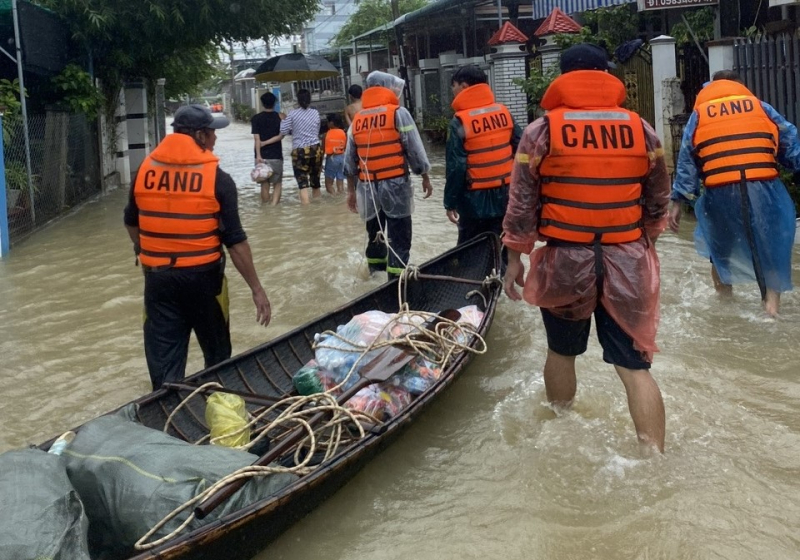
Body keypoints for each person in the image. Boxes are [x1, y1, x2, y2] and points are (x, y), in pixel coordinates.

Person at [502, 44, 670, 452]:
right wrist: (642, 241)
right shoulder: (642, 129)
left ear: (562, 77)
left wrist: (514, 259)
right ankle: (653, 457)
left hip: (565, 261)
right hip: (627, 260)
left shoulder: (541, 131)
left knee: (561, 352)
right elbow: (659, 197)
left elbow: (522, 202)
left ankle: (560, 434)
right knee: (634, 368)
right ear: (605, 74)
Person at [123, 104, 272, 391]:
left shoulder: (144, 170)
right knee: (217, 360)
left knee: (164, 368)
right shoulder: (218, 179)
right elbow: (235, 242)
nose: (216, 139)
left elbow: (131, 222)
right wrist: (257, 289)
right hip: (204, 282)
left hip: (158, 281)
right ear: (201, 136)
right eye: (213, 133)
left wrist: (145, 250)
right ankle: (218, 414)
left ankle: (167, 417)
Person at [669, 70, 800, 316]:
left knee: (720, 250)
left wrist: (678, 200)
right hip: (765, 189)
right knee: (769, 246)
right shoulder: (761, 107)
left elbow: (687, 157)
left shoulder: (699, 114)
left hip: (720, 190)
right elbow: (789, 140)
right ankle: (771, 308)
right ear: (739, 86)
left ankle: (725, 304)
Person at [344, 71, 433, 280]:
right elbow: (414, 149)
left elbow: (349, 161)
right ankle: (396, 283)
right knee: (399, 236)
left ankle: (376, 279)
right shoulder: (398, 113)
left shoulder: (358, 119)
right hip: (395, 185)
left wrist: (350, 191)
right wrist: (425, 176)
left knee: (375, 236)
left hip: (367, 189)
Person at [444, 64, 522, 263]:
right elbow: (522, 149)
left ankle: (473, 290)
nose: (452, 91)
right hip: (505, 193)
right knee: (501, 246)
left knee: (469, 251)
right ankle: (502, 288)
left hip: (473, 200)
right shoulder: (504, 113)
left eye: (453, 86)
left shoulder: (459, 121)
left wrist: (450, 201)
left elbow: (457, 166)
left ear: (463, 86)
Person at [263, 88, 321, 205]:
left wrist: (284, 120)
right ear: (309, 100)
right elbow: (317, 129)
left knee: (302, 184)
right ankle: (318, 208)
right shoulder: (315, 113)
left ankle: (307, 212)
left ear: (297, 101)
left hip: (300, 151)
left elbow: (283, 131)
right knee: (316, 182)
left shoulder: (292, 114)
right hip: (316, 150)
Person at [251, 91, 284, 205]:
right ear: (274, 103)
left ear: (262, 103)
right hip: (276, 155)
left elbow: (256, 139)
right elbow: (281, 136)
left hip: (261, 156)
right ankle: (274, 206)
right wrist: (266, 143)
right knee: (277, 183)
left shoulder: (256, 118)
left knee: (264, 184)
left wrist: (258, 156)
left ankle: (266, 208)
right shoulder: (280, 117)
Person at [323, 112, 346, 195]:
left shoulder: (326, 134)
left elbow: (322, 151)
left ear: (331, 123)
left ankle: (334, 198)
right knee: (340, 184)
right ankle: (341, 201)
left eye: (328, 122)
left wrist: (319, 165)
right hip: (342, 159)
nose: (327, 124)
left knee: (328, 185)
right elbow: (345, 148)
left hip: (332, 159)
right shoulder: (344, 133)